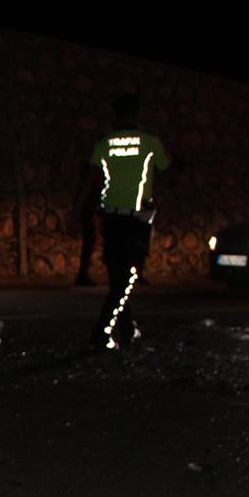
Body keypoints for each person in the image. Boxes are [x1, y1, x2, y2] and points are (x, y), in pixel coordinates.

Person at [81, 93, 170, 349]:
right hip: (137, 218)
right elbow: (166, 167)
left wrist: (76, 209)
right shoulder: (150, 142)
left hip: (110, 217)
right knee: (129, 277)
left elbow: (89, 176)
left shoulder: (104, 143)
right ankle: (101, 332)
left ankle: (129, 329)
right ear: (137, 114)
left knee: (118, 275)